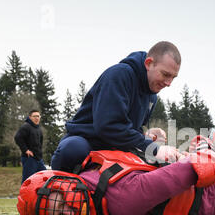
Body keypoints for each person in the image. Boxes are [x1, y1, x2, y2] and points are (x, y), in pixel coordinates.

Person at [17, 132, 215, 215]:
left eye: (61, 198)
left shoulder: (121, 200)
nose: (69, 210)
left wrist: (205, 151)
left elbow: (200, 169)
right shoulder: (91, 169)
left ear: (65, 179)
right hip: (202, 187)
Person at [51, 41, 182, 173]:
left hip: (117, 149)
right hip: (87, 141)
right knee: (73, 150)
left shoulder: (152, 96)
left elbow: (127, 129)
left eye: (173, 77)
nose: (169, 83)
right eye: (165, 74)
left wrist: (145, 135)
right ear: (148, 63)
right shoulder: (119, 75)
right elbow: (109, 126)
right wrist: (154, 148)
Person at [14, 110, 47, 183]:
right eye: (34, 116)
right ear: (30, 117)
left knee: (45, 178)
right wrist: (26, 150)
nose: (36, 118)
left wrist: (40, 154)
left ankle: (39, 194)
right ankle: (24, 194)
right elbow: (17, 138)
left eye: (38, 116)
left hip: (38, 159)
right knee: (28, 180)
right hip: (29, 158)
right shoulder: (26, 126)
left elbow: (40, 144)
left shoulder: (39, 129)